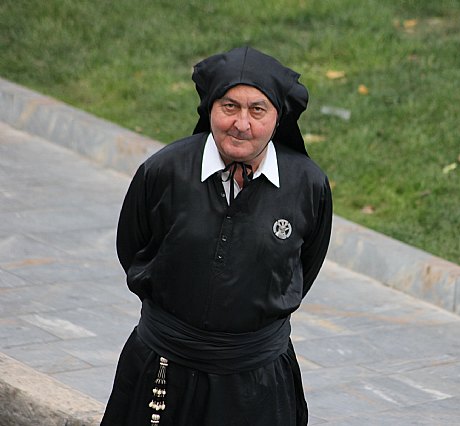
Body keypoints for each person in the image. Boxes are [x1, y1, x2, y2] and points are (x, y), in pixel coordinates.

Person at [101, 46, 333, 426]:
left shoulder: (307, 185)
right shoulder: (164, 171)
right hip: (162, 367)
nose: (242, 123)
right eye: (229, 107)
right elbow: (133, 247)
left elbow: (304, 267)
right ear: (210, 108)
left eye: (257, 110)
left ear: (278, 118)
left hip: (255, 383)